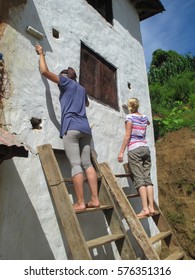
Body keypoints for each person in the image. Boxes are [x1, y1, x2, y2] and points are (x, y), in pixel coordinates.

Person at [35, 43, 100, 211]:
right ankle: (94, 199)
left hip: (71, 127)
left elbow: (44, 72)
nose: (59, 81)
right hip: (85, 129)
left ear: (65, 77)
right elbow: (87, 103)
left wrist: (41, 54)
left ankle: (80, 202)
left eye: (61, 78)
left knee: (76, 164)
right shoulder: (81, 88)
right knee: (87, 164)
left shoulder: (66, 82)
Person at [118, 97, 156, 217]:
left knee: (139, 179)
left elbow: (128, 135)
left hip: (135, 149)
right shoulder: (144, 117)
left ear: (130, 107)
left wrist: (121, 152)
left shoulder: (129, 118)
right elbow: (148, 123)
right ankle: (151, 207)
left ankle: (145, 208)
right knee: (147, 179)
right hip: (145, 149)